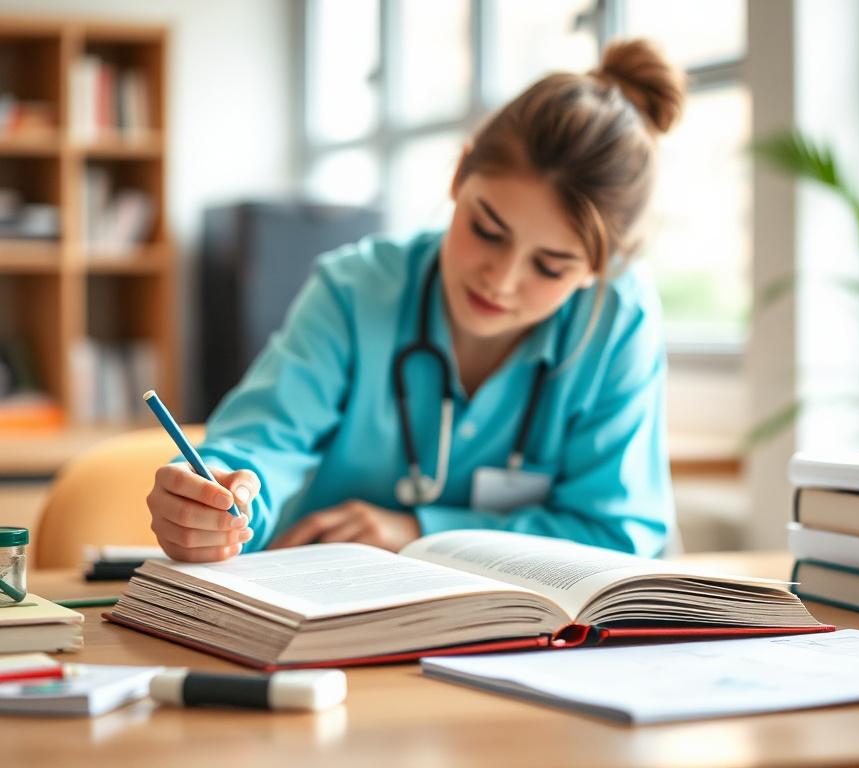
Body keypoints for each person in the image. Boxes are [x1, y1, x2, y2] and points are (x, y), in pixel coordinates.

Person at [146, 38, 686, 563]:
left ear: (600, 267)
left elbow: (616, 533)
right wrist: (218, 499)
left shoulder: (618, 321)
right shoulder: (354, 290)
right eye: (487, 229)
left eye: (551, 265)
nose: (501, 278)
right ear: (458, 176)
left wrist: (417, 533)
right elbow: (261, 450)